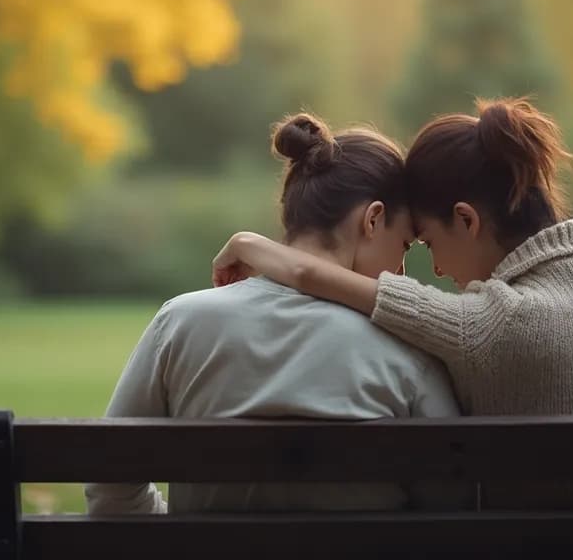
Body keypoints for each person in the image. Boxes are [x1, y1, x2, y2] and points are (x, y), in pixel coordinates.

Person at [211, 98, 573, 508]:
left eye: (428, 242)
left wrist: (248, 243)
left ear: (466, 219)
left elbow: (312, 275)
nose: (435, 270)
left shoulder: (489, 325)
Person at [85, 113, 471, 515]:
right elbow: (449, 510)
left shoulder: (179, 322)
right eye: (405, 246)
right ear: (372, 220)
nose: (401, 273)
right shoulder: (408, 348)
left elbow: (110, 491)